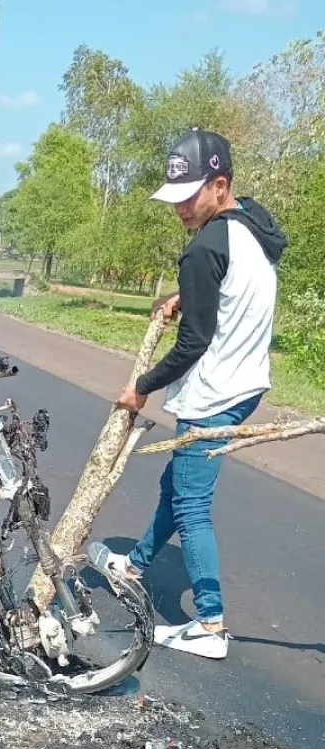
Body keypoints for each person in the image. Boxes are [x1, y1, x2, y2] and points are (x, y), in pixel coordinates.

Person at [90, 128, 288, 660]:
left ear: (219, 185)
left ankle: (209, 624)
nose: (179, 207)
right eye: (174, 196)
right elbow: (230, 284)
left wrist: (141, 389)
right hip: (248, 381)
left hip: (215, 391)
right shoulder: (251, 223)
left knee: (192, 506)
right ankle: (134, 565)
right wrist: (191, 293)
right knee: (175, 485)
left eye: (189, 195)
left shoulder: (203, 250)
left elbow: (193, 344)